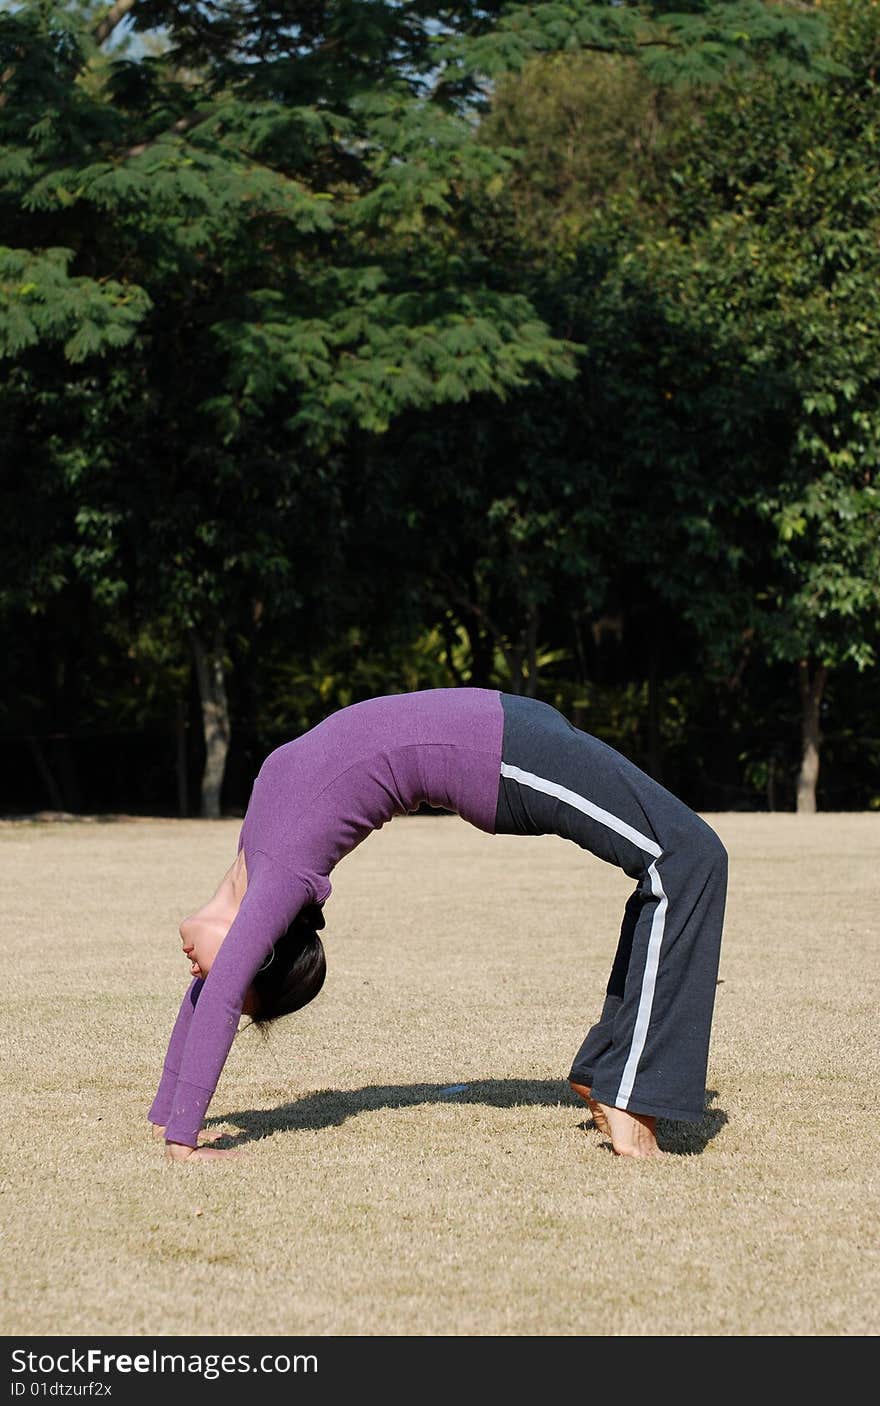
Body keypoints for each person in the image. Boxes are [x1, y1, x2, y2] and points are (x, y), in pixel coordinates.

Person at [149, 688, 727, 1162]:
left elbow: (219, 989)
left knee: (680, 857)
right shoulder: (280, 875)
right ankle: (626, 1089)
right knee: (686, 855)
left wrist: (168, 1122)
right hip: (497, 753)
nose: (199, 971)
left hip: (502, 731)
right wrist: (182, 1136)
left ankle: (613, 1072)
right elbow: (219, 991)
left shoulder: (261, 855)